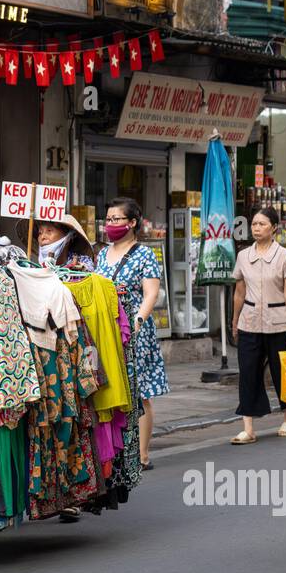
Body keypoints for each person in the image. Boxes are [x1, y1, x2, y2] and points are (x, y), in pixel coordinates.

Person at [96, 197, 169, 470]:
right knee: (112, 388)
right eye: (109, 219)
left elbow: (151, 293)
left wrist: (139, 318)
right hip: (106, 329)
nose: (111, 224)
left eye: (116, 219)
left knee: (140, 392)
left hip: (135, 332)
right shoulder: (102, 254)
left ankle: (142, 453)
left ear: (132, 222)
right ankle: (115, 452)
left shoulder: (145, 255)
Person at [230, 207, 286, 444]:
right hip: (249, 321)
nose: (256, 228)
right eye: (254, 224)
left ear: (274, 228)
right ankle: (248, 428)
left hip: (278, 323)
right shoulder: (243, 256)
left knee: (282, 373)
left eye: (262, 224)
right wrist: (234, 319)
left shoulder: (284, 256)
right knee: (248, 372)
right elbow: (239, 293)